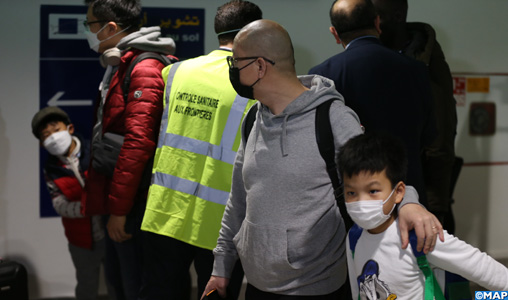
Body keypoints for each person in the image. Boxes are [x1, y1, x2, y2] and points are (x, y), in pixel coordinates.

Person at [203, 19, 443, 300]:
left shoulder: (332, 119)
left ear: (259, 66)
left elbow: (382, 180)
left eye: (236, 63)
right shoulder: (254, 118)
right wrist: (222, 267)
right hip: (257, 284)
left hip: (318, 287)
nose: (232, 71)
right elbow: (239, 199)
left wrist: (411, 203)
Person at [138, 1, 262, 299]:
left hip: (165, 212)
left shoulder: (175, 72)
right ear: (253, 33)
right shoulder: (253, 83)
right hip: (221, 223)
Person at [337, 131, 508, 299]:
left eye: (373, 191)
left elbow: (480, 266)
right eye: (351, 193)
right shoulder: (354, 236)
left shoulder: (420, 235)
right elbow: (357, 291)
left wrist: (494, 296)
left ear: (398, 192)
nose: (361, 201)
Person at [81, 0, 176, 299]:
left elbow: (138, 142)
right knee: (118, 282)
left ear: (110, 27)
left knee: (134, 285)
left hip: (135, 204)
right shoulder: (120, 61)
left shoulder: (144, 67)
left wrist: (119, 211)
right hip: (119, 195)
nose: (88, 31)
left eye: (90, 24)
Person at [309, 0, 436, 208]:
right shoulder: (416, 70)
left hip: (355, 199)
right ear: (377, 23)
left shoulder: (323, 75)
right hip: (407, 194)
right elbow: (429, 135)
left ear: (334, 33)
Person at [371, 0, 458, 233]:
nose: (373, 23)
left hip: (419, 190)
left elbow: (440, 134)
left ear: (398, 15)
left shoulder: (425, 65)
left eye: (377, 16)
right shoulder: (374, 55)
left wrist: (436, 203)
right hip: (381, 186)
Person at [31, 106, 106, 300]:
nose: (53, 137)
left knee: (119, 282)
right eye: (46, 135)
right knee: (86, 285)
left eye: (56, 130)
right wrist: (87, 207)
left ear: (70, 129)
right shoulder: (51, 170)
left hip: (111, 231)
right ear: (42, 144)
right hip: (80, 239)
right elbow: (59, 204)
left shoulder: (95, 150)